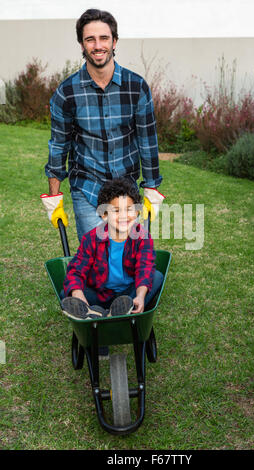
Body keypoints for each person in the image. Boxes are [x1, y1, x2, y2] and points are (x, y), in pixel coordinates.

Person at [41, 8, 164, 242]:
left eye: (104, 38)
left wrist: (151, 188)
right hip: (87, 188)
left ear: (114, 41)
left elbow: (148, 142)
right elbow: (59, 146)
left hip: (127, 191)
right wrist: (54, 198)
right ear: (82, 45)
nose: (98, 45)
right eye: (90, 39)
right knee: (98, 262)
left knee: (128, 262)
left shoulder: (136, 87)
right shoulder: (67, 93)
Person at [61, 178, 164, 321]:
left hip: (128, 295)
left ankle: (113, 312)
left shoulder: (142, 237)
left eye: (129, 209)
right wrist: (80, 297)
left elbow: (144, 268)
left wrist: (140, 296)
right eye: (116, 211)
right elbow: (76, 270)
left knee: (156, 276)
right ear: (104, 215)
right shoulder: (91, 239)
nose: (123, 216)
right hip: (100, 294)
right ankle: (94, 312)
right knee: (68, 293)